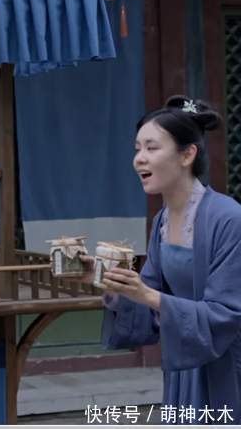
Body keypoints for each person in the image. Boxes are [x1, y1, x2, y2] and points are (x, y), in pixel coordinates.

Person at [79, 95, 241, 422]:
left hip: (225, 363)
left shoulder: (229, 219)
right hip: (184, 359)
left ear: (187, 154)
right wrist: (107, 282)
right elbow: (148, 301)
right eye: (137, 148)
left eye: (152, 148)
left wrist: (147, 295)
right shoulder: (163, 221)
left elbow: (227, 313)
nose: (139, 159)